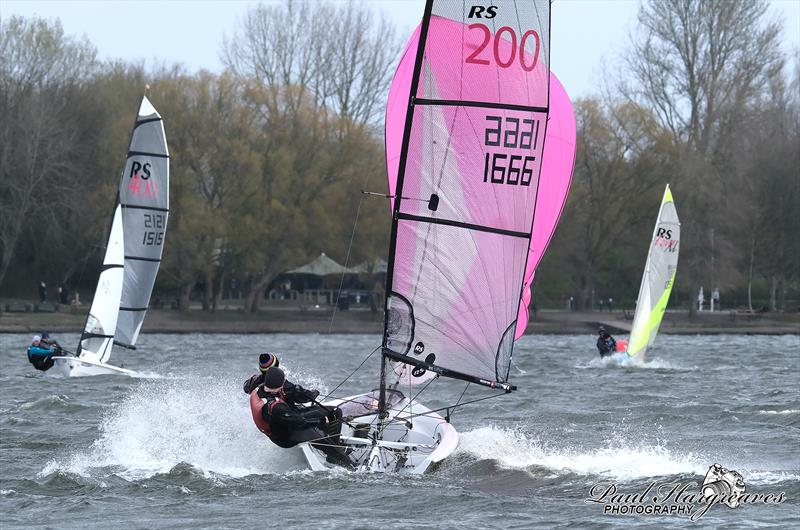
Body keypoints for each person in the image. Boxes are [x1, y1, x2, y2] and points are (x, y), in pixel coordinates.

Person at [250, 367, 353, 468]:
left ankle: (333, 453)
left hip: (288, 420)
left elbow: (296, 396)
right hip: (285, 435)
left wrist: (309, 394)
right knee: (320, 434)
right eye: (284, 380)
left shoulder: (260, 386)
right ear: (280, 384)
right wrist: (321, 421)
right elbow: (301, 424)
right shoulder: (276, 407)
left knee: (334, 412)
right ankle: (350, 466)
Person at [242, 353, 320, 405]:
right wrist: (315, 393)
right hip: (285, 419)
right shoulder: (281, 385)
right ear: (277, 365)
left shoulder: (254, 382)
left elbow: (246, 388)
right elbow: (302, 398)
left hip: (266, 417)